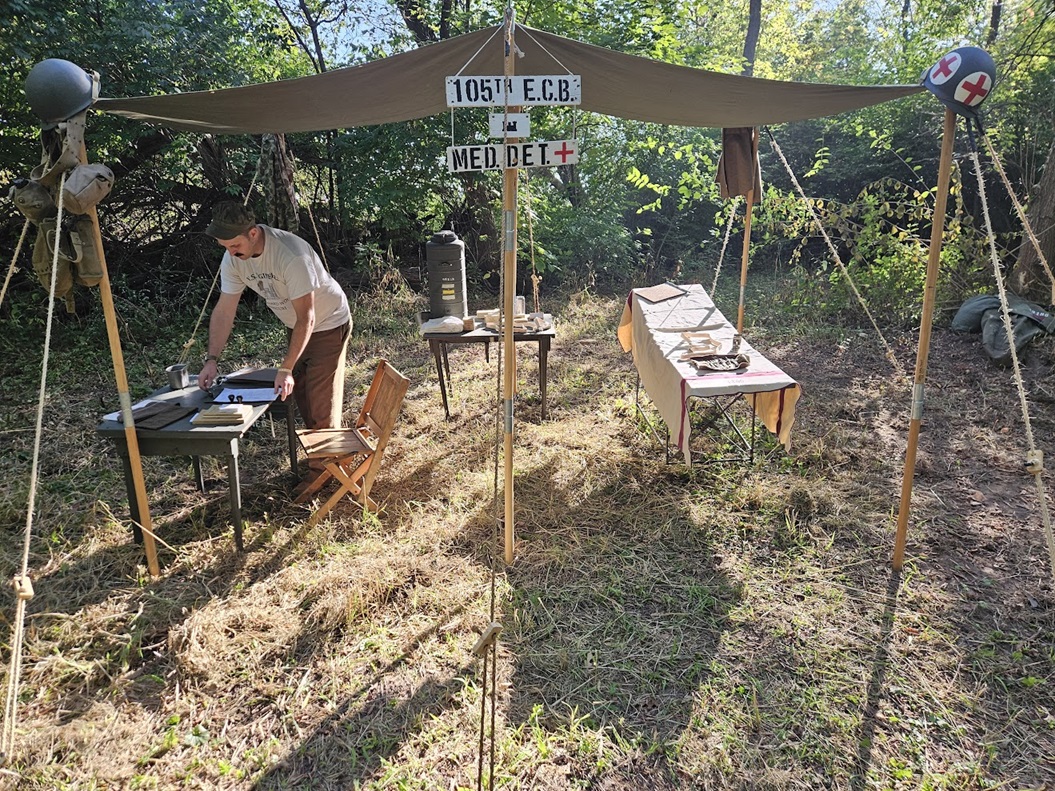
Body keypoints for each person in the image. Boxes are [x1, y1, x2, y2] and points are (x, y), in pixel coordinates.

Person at [198, 201, 352, 435]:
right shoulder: (232, 259)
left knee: (321, 406)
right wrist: (212, 360)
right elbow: (224, 311)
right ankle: (318, 449)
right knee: (302, 397)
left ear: (253, 233)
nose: (231, 253)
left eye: (235, 245)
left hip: (328, 322)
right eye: (225, 247)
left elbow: (307, 317)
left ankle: (327, 455)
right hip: (295, 325)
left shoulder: (291, 255)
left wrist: (286, 368)